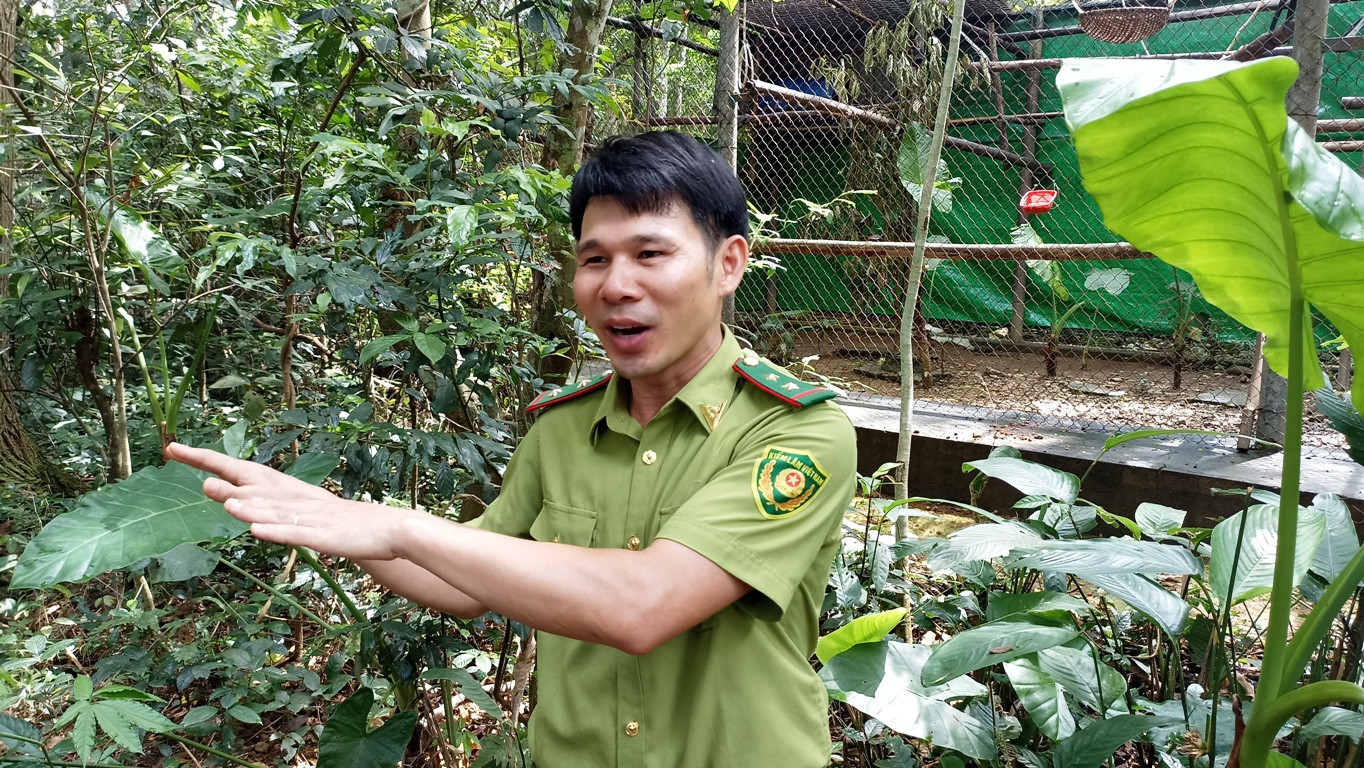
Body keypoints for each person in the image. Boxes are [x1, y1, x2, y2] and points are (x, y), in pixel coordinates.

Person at [167, 130, 858, 767]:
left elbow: (645, 605)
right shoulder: (561, 429)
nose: (616, 285)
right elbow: (457, 584)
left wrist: (397, 525)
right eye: (594, 259)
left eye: (650, 253)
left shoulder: (797, 433)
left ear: (727, 264)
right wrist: (327, 518)